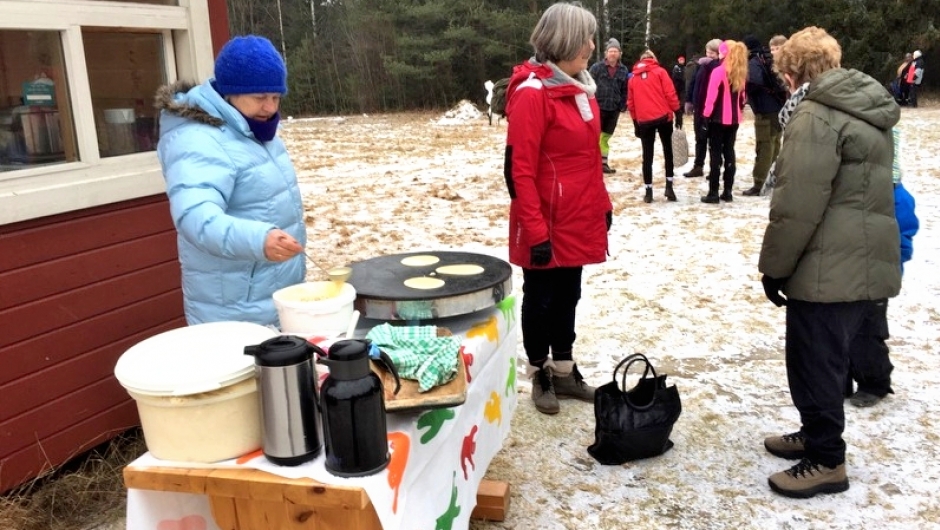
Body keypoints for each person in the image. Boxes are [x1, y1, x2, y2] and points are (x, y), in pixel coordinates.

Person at [758, 26, 901, 499]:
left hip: (827, 266)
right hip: (861, 260)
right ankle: (814, 433)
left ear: (795, 70)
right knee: (824, 359)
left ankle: (826, 461)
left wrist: (775, 266)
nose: (782, 80)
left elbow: (798, 203)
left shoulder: (816, 115)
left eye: (785, 72)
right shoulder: (863, 109)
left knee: (814, 361)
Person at [503, 2, 612, 415]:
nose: (590, 45)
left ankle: (565, 369)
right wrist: (535, 231)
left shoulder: (581, 89)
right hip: (544, 221)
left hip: (579, 217)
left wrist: (603, 204)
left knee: (570, 293)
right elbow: (519, 172)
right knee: (541, 297)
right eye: (584, 37)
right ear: (563, 40)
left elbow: (587, 160)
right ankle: (540, 371)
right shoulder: (533, 94)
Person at [155, 35, 306, 327]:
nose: (270, 108)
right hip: (234, 307)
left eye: (276, 97)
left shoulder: (255, 130)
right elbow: (195, 217)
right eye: (260, 97)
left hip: (273, 293)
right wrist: (259, 239)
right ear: (229, 93)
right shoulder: (197, 139)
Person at [846, 126, 919, 408]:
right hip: (852, 272)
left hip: (878, 277)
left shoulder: (897, 198)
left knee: (868, 333)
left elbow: (904, 238)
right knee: (845, 329)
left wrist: (891, 261)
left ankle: (875, 382)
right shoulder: (857, 194)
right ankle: (844, 377)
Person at [628, 49, 680, 203]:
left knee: (647, 155)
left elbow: (631, 103)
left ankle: (648, 190)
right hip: (663, 117)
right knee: (668, 152)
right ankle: (669, 186)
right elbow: (670, 93)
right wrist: (677, 111)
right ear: (653, 59)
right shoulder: (660, 72)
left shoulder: (633, 78)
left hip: (644, 120)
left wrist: (635, 121)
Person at [700, 40, 747, 203]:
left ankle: (713, 192)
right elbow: (742, 99)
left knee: (715, 154)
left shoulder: (719, 71)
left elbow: (711, 97)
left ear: (724, 53)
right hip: (734, 119)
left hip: (717, 119)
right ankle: (728, 191)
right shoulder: (740, 71)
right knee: (729, 152)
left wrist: (705, 116)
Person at [742, 35, 787, 196]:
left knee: (764, 145)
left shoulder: (754, 62)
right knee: (775, 143)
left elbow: (755, 81)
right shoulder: (770, 60)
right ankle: (773, 178)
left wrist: (746, 90)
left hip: (764, 108)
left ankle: (759, 182)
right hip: (778, 106)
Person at [588, 38, 630, 174]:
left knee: (606, 136)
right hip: (597, 107)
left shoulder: (624, 70)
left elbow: (625, 89)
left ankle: (603, 163)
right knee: (595, 136)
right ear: (606, 53)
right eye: (610, 51)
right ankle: (592, 163)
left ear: (619, 54)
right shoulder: (596, 68)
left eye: (615, 51)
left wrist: (622, 105)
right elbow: (588, 86)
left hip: (614, 109)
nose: (612, 53)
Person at [683, 39, 721, 178]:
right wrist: (688, 100)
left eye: (712, 52)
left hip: (713, 109)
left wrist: (711, 64)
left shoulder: (718, 67)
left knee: (713, 141)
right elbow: (693, 83)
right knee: (700, 138)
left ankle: (714, 168)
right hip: (699, 107)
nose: (709, 54)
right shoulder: (701, 65)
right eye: (708, 51)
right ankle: (698, 166)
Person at [671, 55, 687, 129]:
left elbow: (685, 76)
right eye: (680, 60)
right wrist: (682, 78)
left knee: (682, 99)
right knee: (677, 99)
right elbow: (675, 76)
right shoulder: (676, 67)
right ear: (678, 60)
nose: (681, 61)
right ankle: (677, 109)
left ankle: (681, 109)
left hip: (683, 87)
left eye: (682, 60)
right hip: (677, 86)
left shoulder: (684, 68)